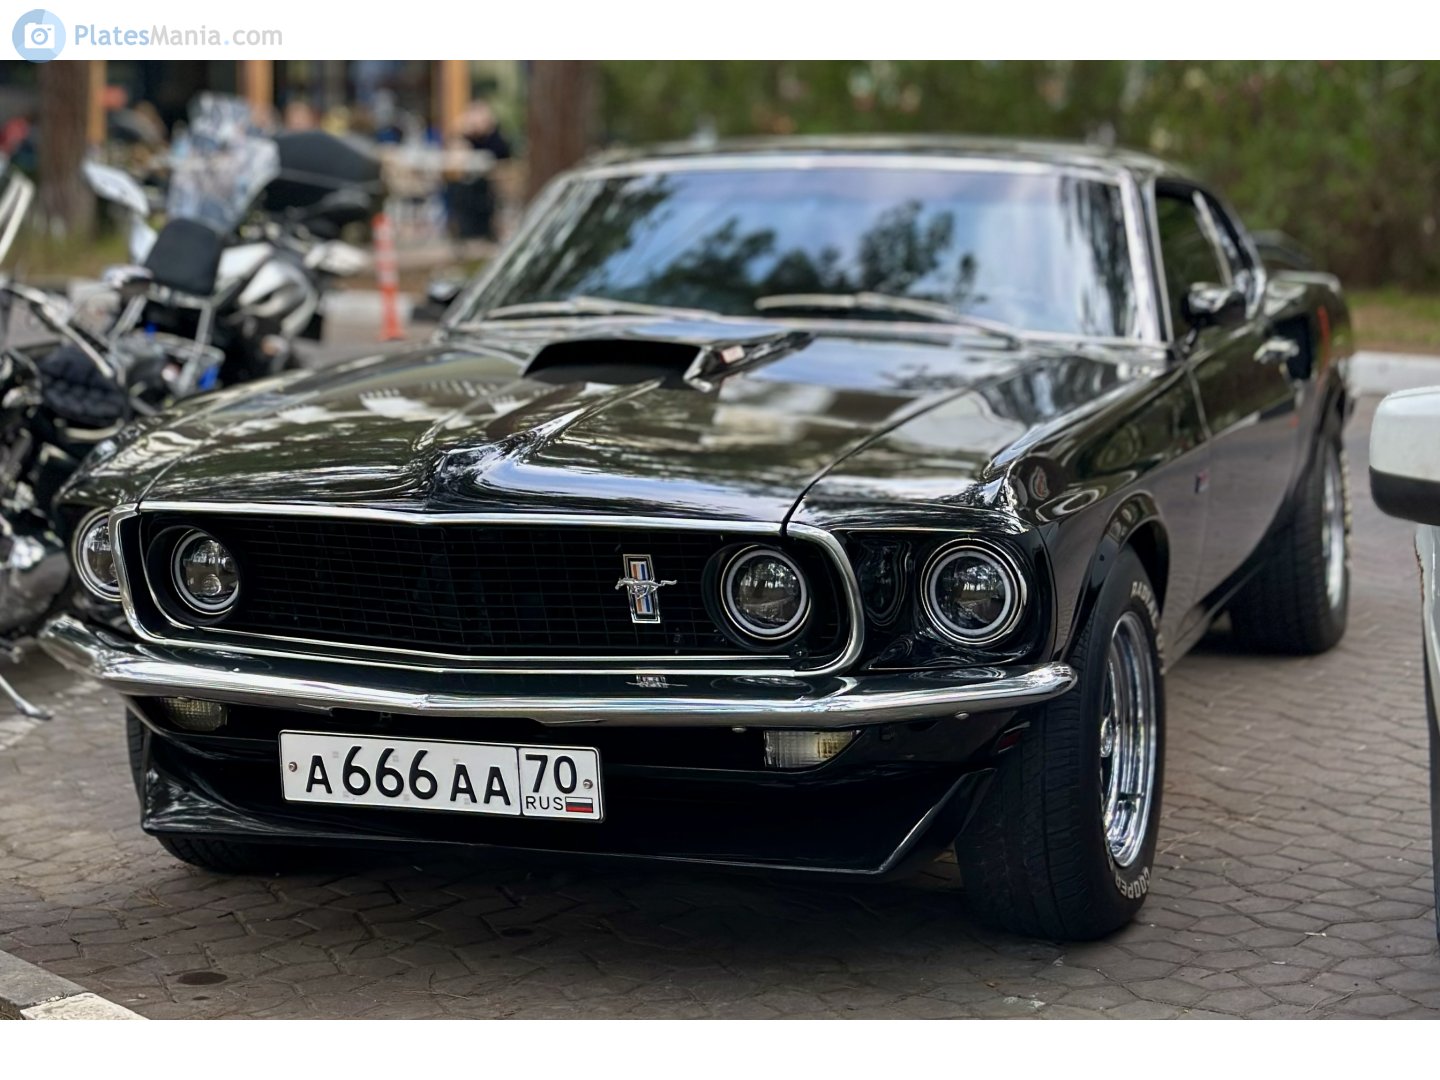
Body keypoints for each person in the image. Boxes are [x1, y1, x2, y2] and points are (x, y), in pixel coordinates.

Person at [445, 100, 511, 240]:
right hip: (471, 178)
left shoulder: (495, 137)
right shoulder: (471, 136)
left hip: (492, 180)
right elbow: (457, 147)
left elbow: (501, 156)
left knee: (475, 190)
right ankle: (463, 229)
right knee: (455, 187)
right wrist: (462, 131)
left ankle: (481, 230)